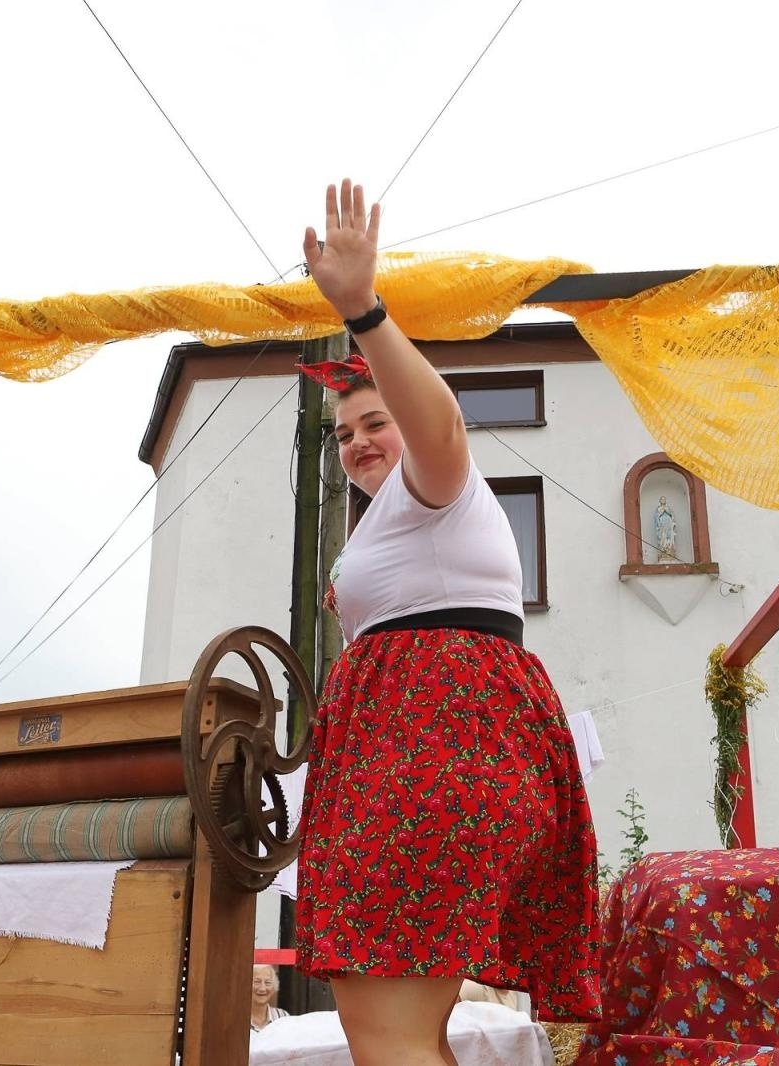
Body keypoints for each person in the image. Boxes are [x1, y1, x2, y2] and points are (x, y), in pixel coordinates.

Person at [295, 180, 599, 1066]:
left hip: (431, 752)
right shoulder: (395, 521)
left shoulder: (436, 483)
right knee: (398, 1028)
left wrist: (363, 310)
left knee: (388, 1032)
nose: (356, 442)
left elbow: (444, 429)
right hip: (423, 750)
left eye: (373, 421)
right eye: (343, 432)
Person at [250, 964, 289, 1032]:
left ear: (274, 987)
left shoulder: (283, 1016)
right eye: (257, 982)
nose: (262, 988)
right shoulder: (237, 1017)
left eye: (267, 983)